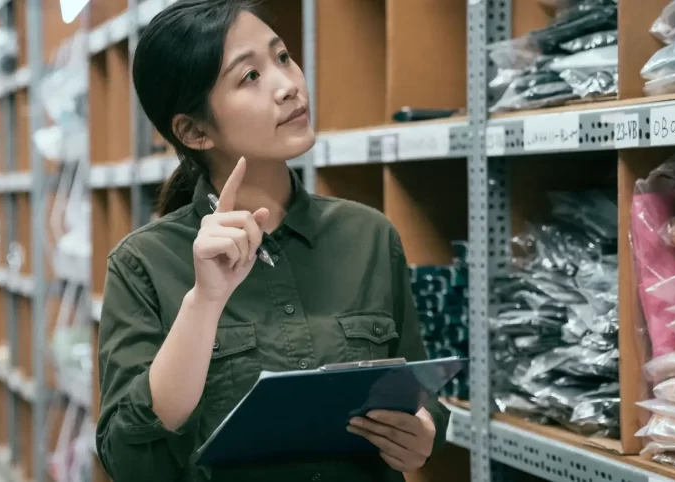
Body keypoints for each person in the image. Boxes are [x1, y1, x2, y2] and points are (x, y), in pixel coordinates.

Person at [94, 1, 450, 480]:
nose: (288, 86)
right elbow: (130, 460)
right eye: (250, 77)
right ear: (195, 130)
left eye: (282, 57)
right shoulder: (142, 263)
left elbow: (417, 392)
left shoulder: (369, 235)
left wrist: (423, 433)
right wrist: (204, 302)